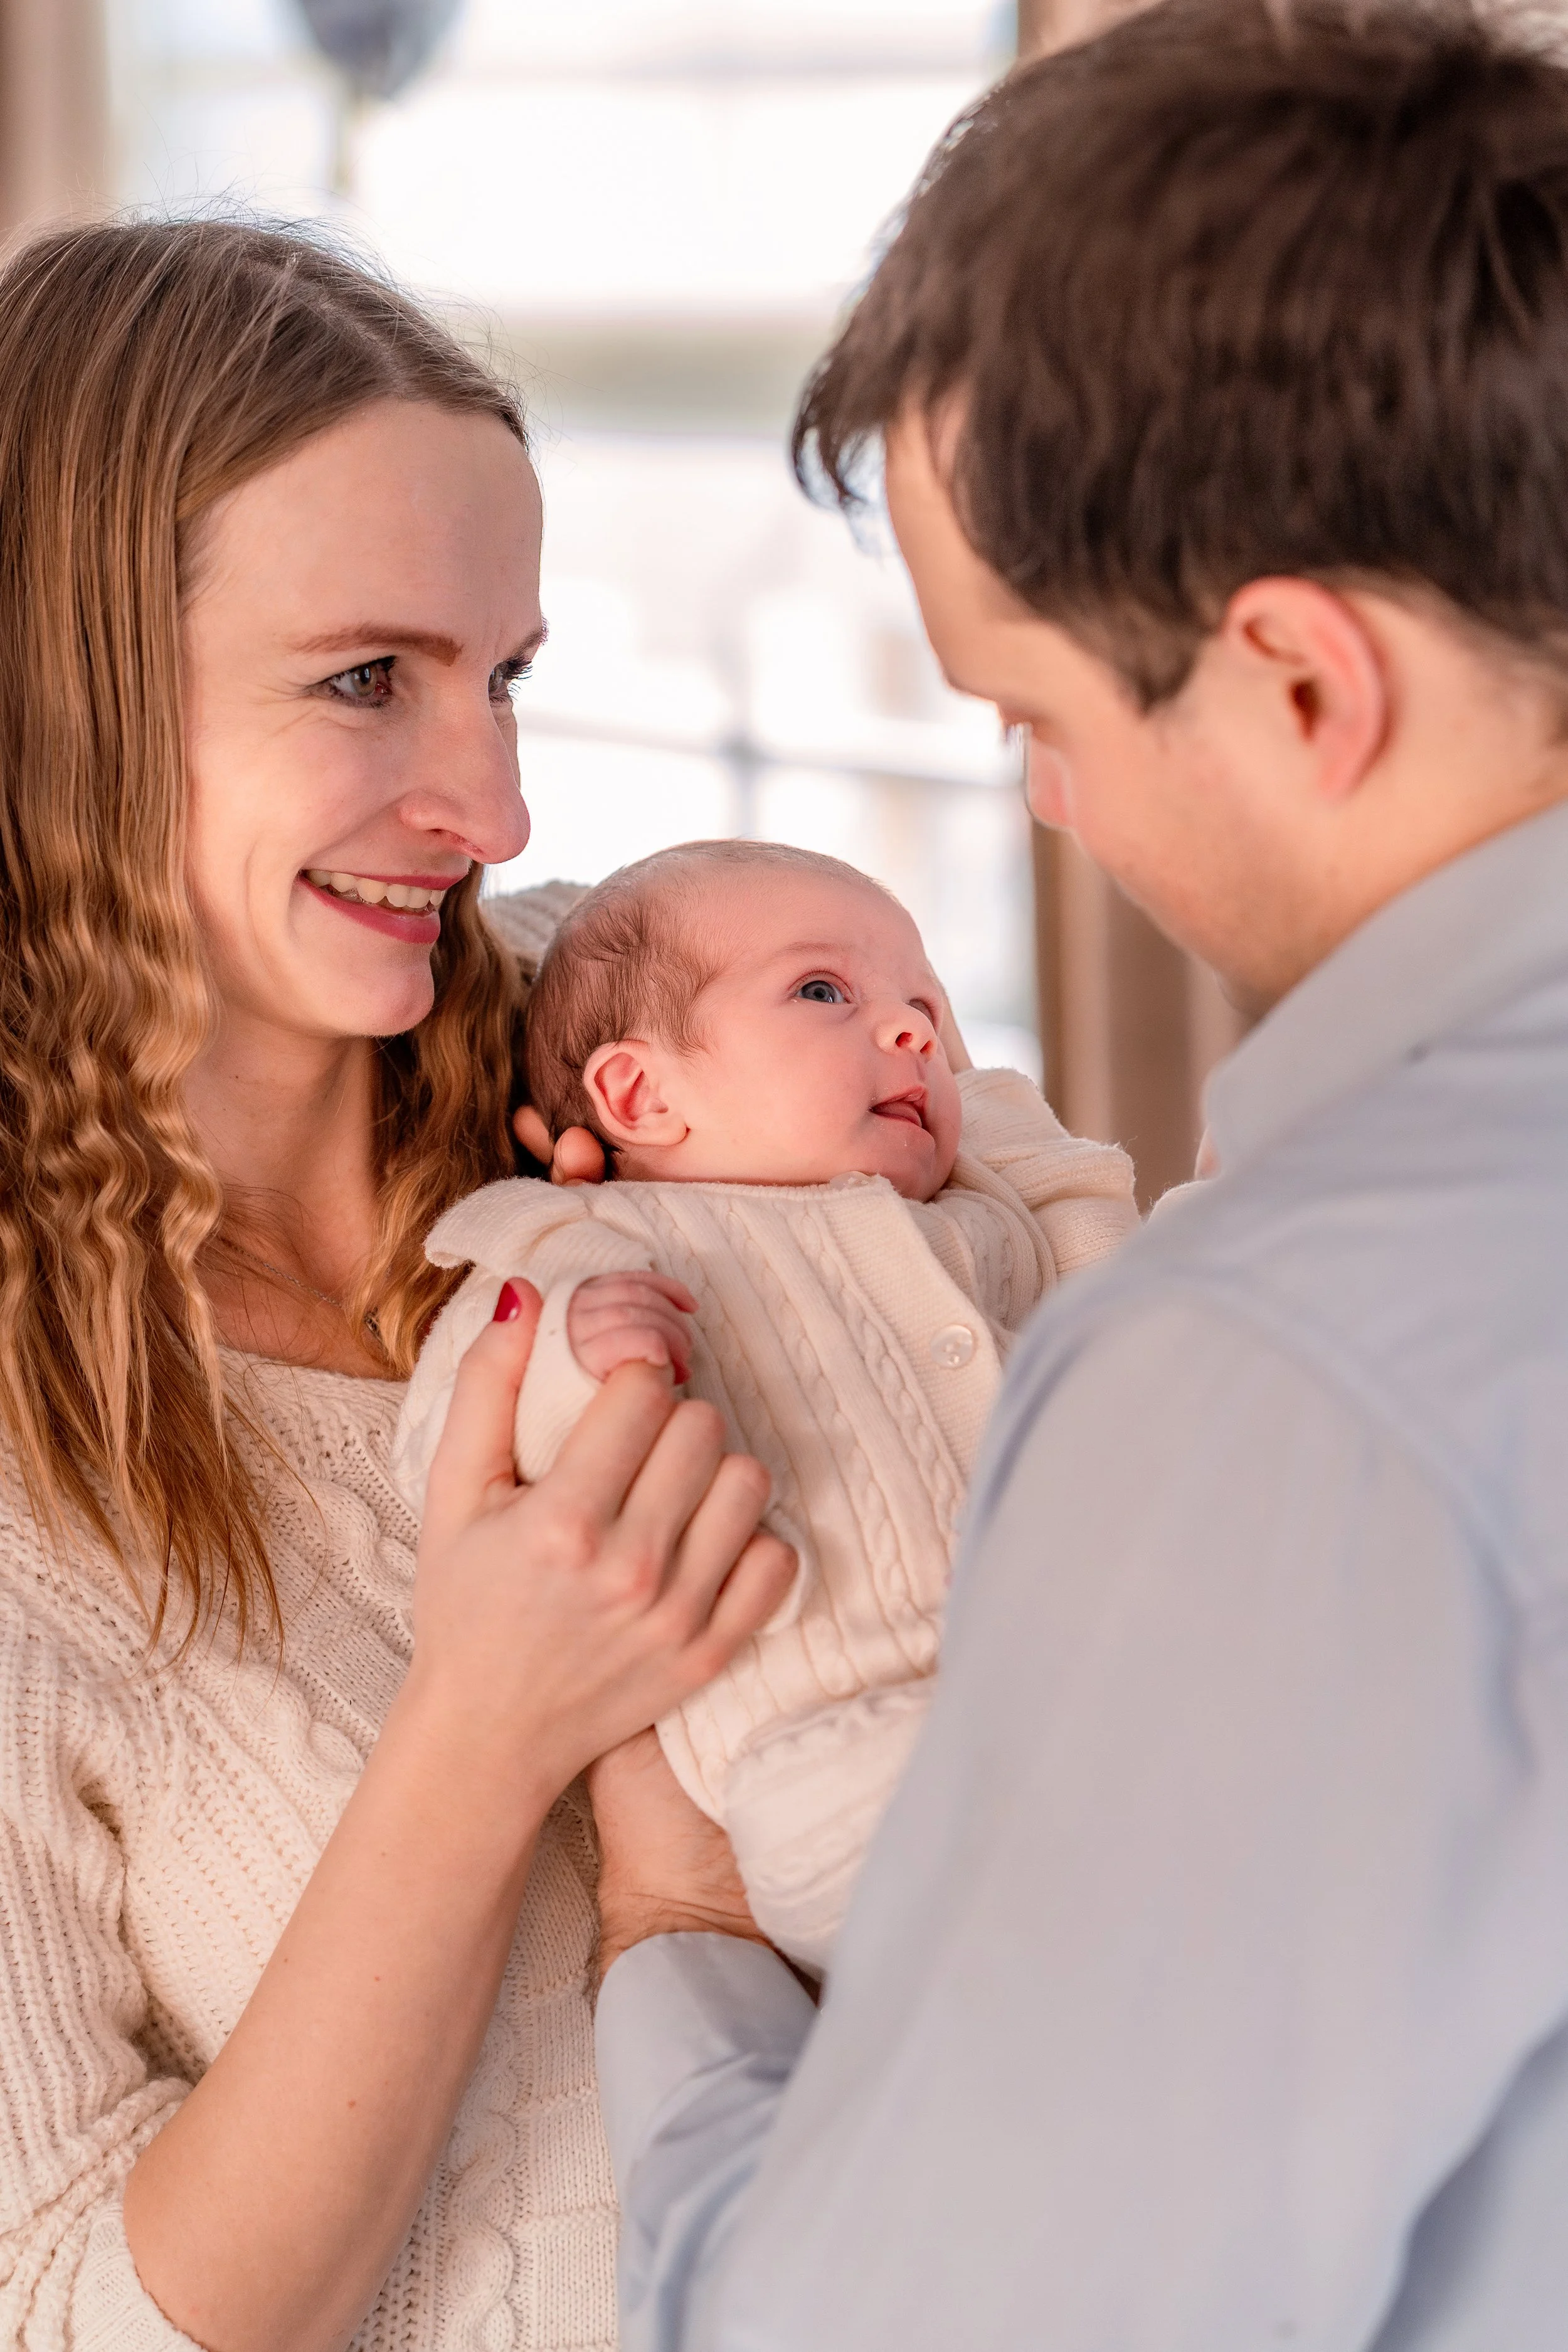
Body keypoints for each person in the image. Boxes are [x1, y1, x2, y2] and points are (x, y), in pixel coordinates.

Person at [578, 4, 1568, 2346]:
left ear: (1301, 688)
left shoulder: (1280, 1369)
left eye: (1033, 717)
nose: (1039, 809)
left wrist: (672, 1950)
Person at [0, 219, 794, 2352]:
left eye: (506, 669)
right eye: (369, 679)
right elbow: (72, 2314)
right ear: (66, 691)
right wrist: (486, 1718)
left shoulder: (648, 1064)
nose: (499, 802)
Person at [392, 839, 1135, 1968]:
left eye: (925, 1003)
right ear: (639, 1092)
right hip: (831, 1745)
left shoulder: (976, 1223)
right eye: (825, 992)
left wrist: (1003, 1132)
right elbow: (455, 1425)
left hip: (1083, 1675)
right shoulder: (597, 1246)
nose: (914, 1032)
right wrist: (581, 1352)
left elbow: (1124, 1300)